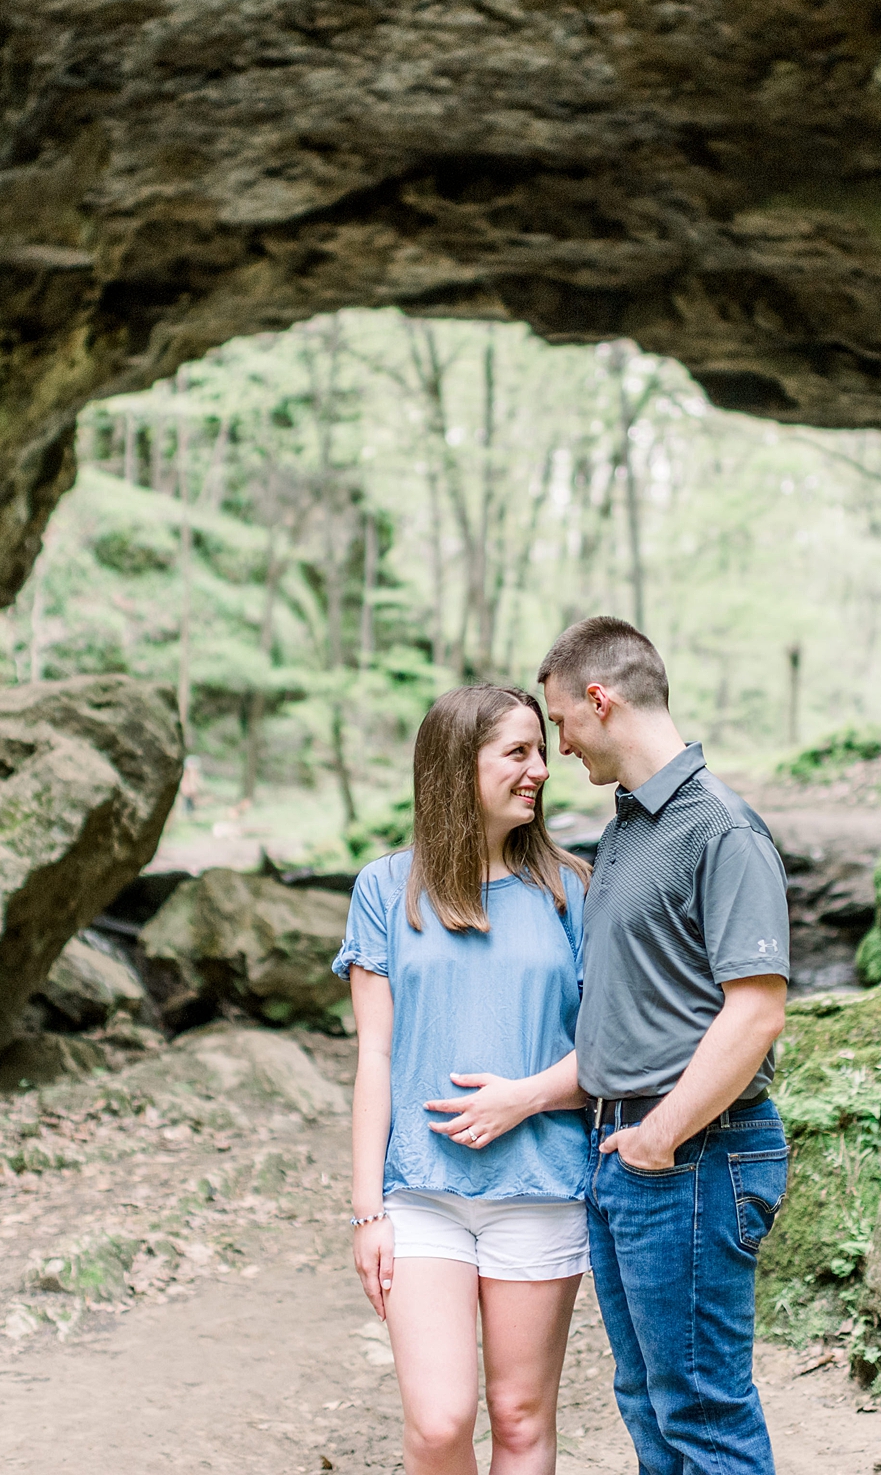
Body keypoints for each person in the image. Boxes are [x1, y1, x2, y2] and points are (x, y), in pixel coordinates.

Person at [537, 616, 791, 1475]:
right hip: (628, 1154)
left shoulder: (721, 829)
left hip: (691, 1156)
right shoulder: (627, 831)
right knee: (648, 1401)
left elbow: (755, 1013)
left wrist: (661, 1134)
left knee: (702, 1415)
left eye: (560, 723)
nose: (558, 748)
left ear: (598, 699)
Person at [334, 684, 595, 1475]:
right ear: (457, 766)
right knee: (441, 1423)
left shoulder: (572, 889)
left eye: (541, 751)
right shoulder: (385, 889)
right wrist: (365, 1210)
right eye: (517, 752)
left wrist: (524, 1097)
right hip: (420, 1195)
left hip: (541, 1188)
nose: (540, 769)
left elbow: (611, 1057)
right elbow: (373, 1055)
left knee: (519, 1421)